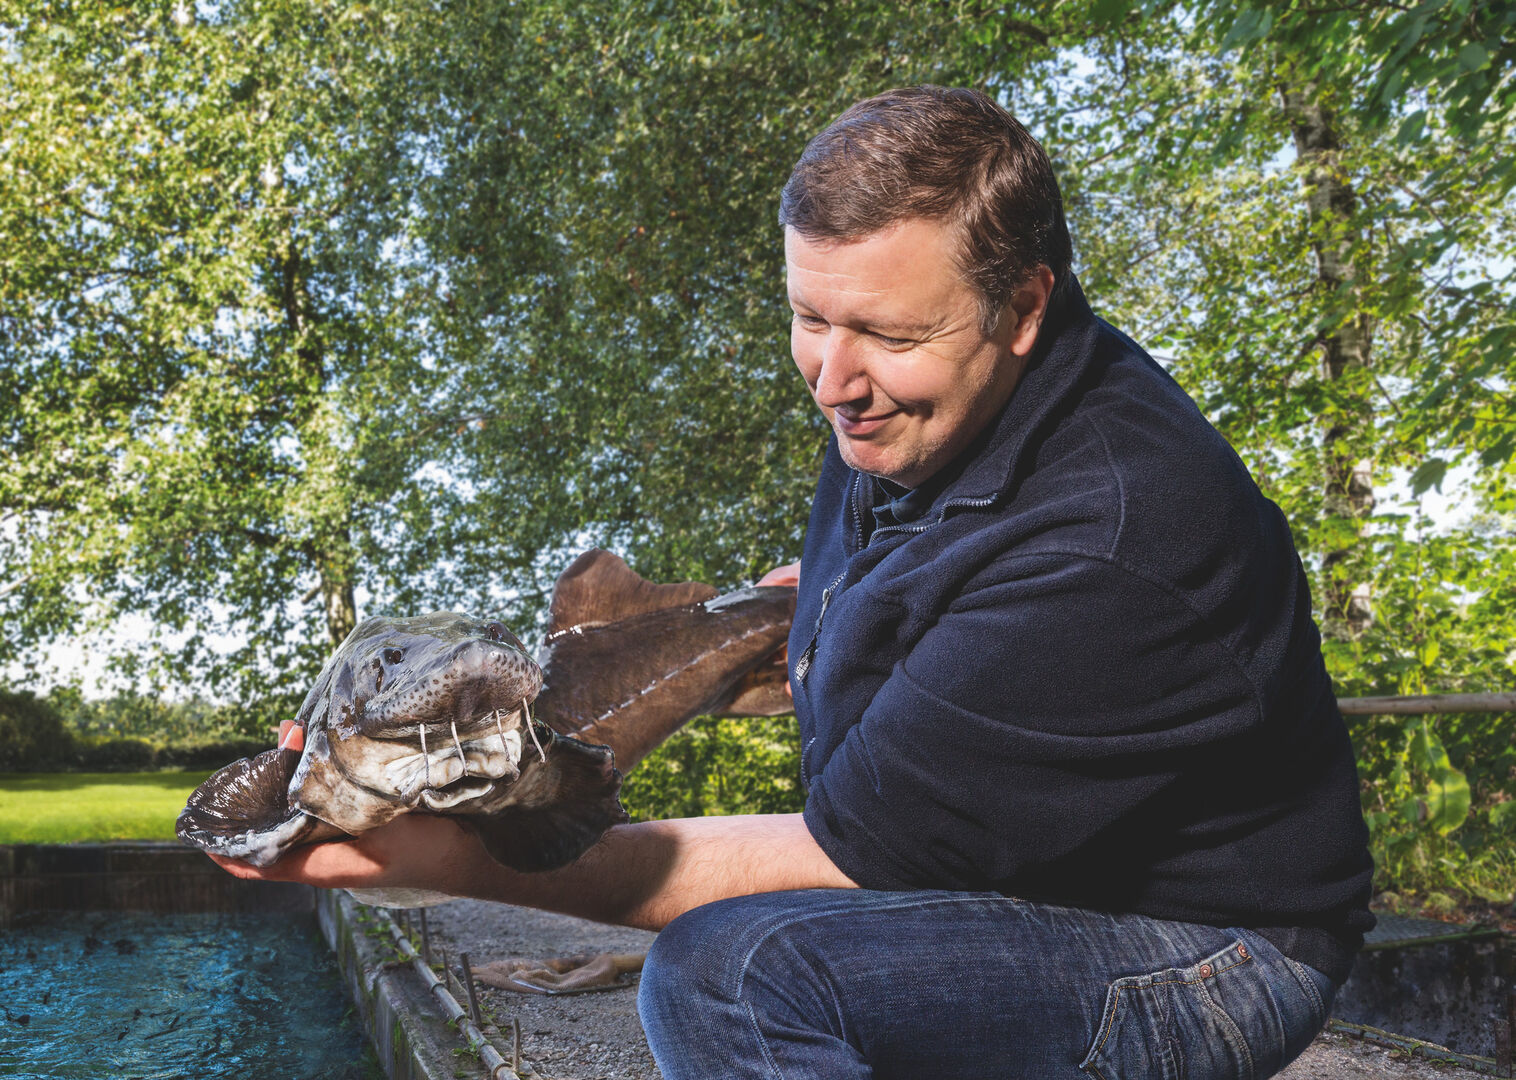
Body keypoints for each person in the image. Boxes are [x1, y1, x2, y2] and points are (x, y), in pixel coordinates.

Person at [212, 86, 1374, 1079]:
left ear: (1024, 304)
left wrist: (464, 860)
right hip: (1033, 869)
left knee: (736, 976)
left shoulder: (1114, 541)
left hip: (1210, 946)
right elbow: (928, 566)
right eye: (806, 317)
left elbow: (847, 859)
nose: (834, 379)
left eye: (885, 334)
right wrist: (822, 615)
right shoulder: (921, 403)